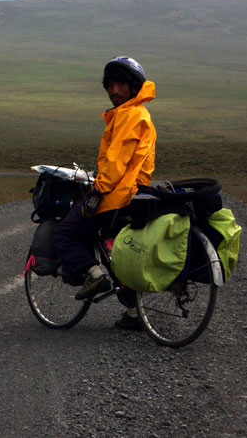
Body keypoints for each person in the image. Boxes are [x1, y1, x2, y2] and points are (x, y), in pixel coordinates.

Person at [53, 56, 156, 331]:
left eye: (120, 84)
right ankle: (135, 313)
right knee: (117, 255)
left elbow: (116, 161)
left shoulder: (129, 115)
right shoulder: (139, 114)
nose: (114, 91)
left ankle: (94, 273)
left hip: (117, 195)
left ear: (134, 86)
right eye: (109, 85)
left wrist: (98, 191)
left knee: (66, 231)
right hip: (133, 193)